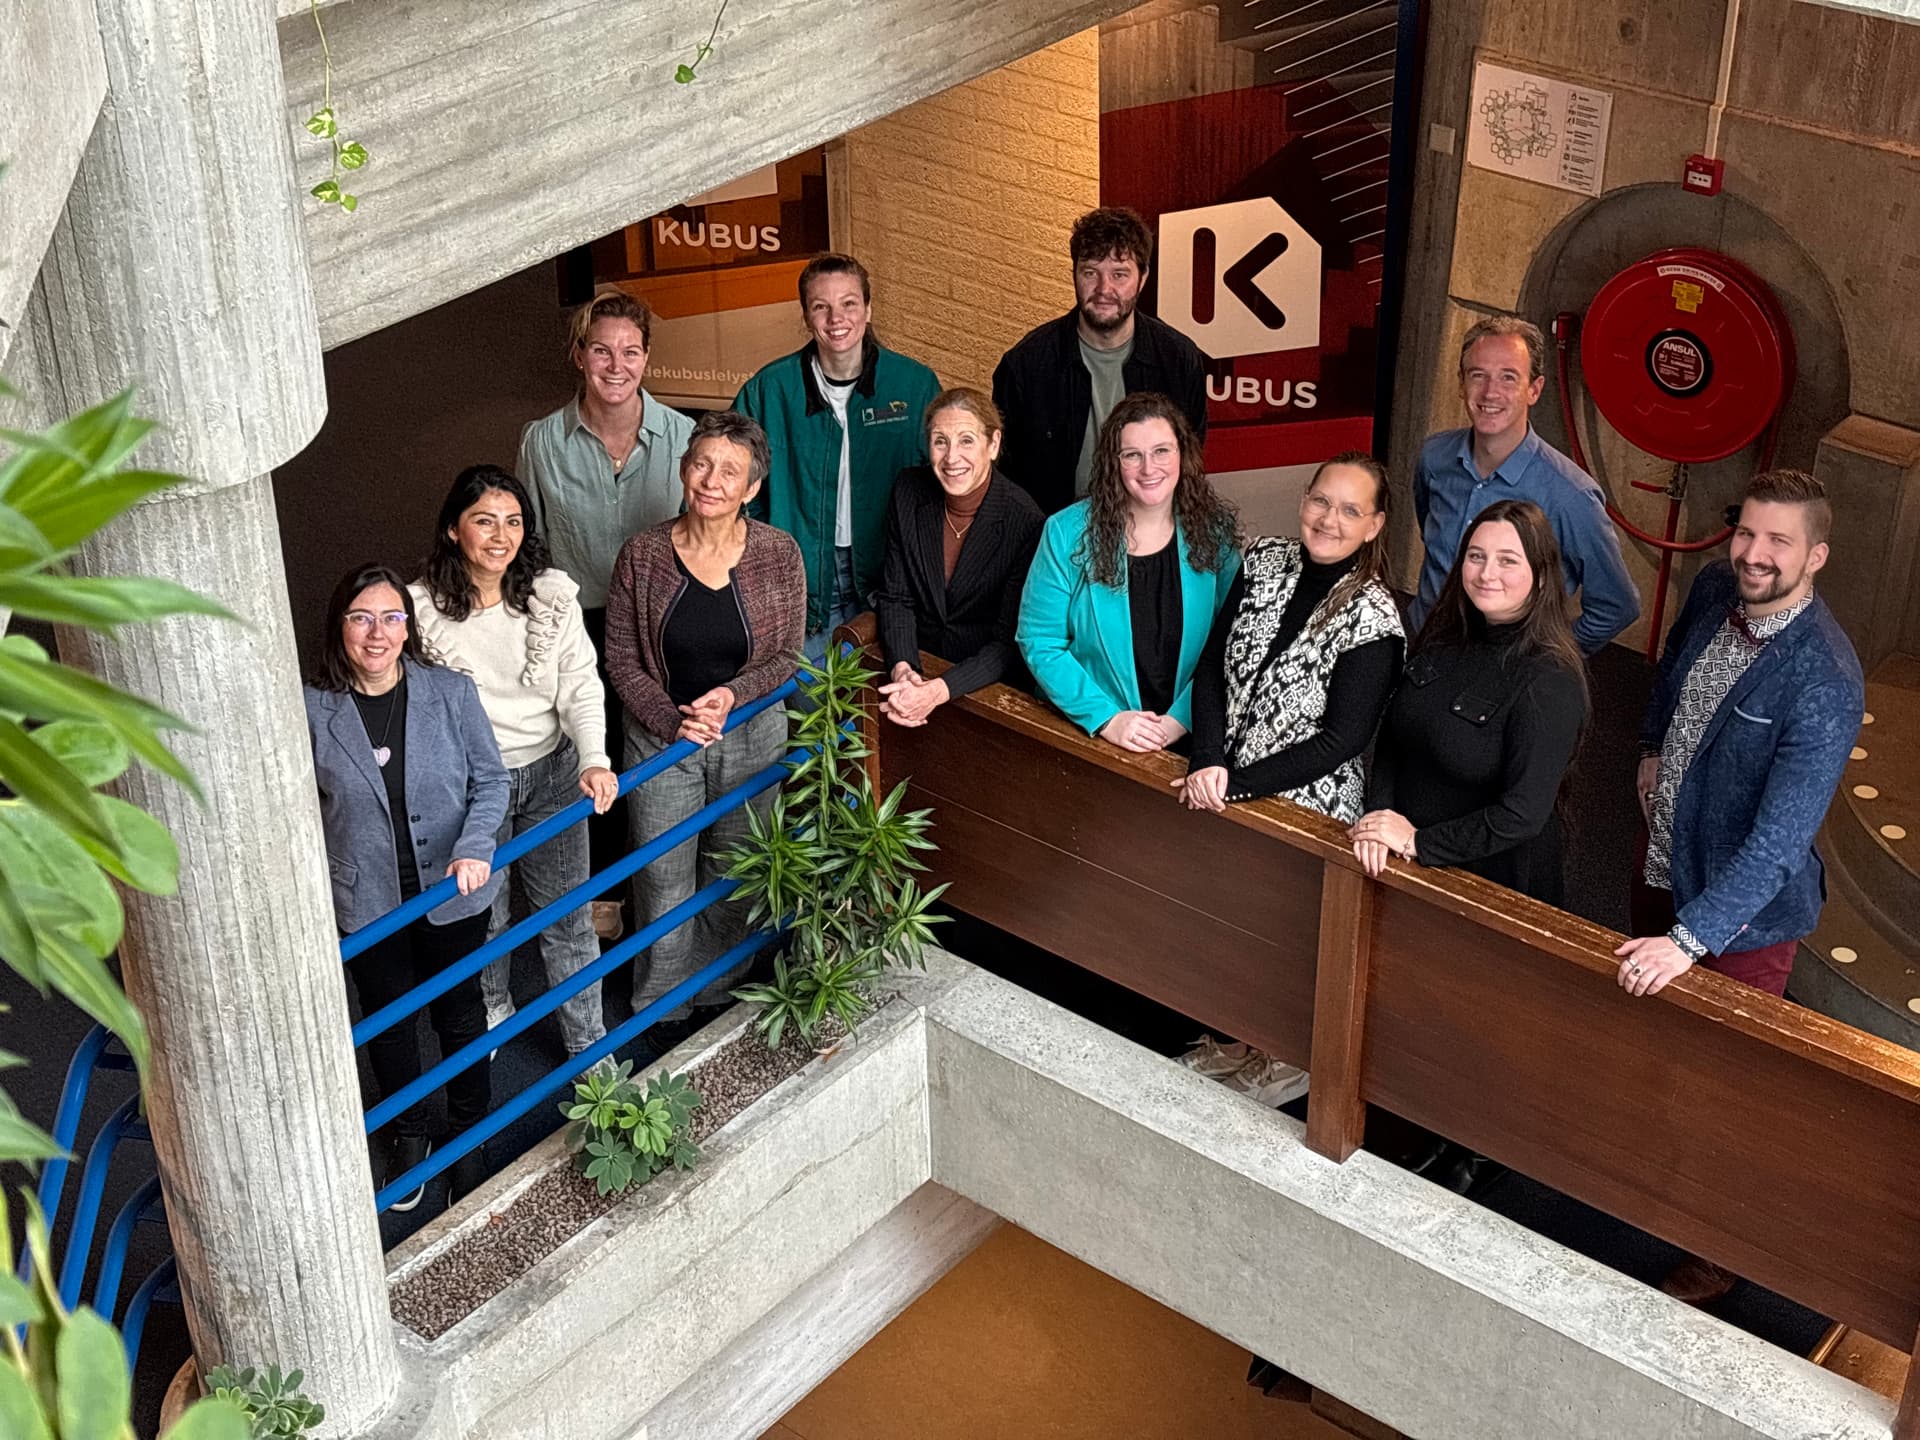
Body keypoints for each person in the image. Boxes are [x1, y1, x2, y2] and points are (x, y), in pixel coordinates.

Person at [1617, 471, 1861, 1305]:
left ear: (1816, 556)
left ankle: (1720, 1253)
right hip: (1664, 859)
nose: (1756, 554)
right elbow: (1670, 675)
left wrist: (1690, 941)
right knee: (1656, 1049)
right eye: (1749, 533)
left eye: (1780, 542)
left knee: (1724, 1086)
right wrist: (1651, 748)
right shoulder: (1719, 585)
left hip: (1746, 920)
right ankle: (1651, 1175)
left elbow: (1780, 842)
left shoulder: (1825, 679)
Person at [1350, 500, 1589, 1197]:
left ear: (1541, 576)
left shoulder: (1549, 679)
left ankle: (1484, 1145)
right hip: (1414, 856)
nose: (1487, 573)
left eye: (1508, 560)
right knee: (1424, 1003)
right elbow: (1393, 737)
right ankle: (1433, 1118)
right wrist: (1379, 816)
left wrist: (1418, 841)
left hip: (1494, 874)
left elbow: (1521, 814)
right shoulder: (1444, 637)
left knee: (1489, 1022)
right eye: (1477, 556)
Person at [305, 563, 508, 1212]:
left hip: (453, 888)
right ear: (340, 627)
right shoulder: (312, 710)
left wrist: (475, 847)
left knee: (459, 1014)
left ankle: (469, 1134)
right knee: (390, 1026)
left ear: (408, 628)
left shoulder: (450, 692)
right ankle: (411, 1136)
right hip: (367, 901)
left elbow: (492, 783)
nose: (377, 633)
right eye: (361, 618)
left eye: (392, 618)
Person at [604, 412, 806, 1043]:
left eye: (729, 472)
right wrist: (673, 720)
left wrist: (731, 695)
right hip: (662, 740)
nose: (711, 481)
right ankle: (662, 1008)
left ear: (751, 488)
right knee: (663, 877)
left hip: (750, 732)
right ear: (683, 469)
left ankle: (720, 991)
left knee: (732, 870)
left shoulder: (779, 553)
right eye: (701, 464)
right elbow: (621, 660)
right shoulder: (643, 553)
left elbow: (788, 654)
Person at [409, 465, 618, 1069]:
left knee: (568, 918)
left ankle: (589, 1048)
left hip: (554, 772)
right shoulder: (419, 611)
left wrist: (595, 759)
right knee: (486, 916)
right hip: (475, 785)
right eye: (483, 521)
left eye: (513, 522)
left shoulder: (552, 596)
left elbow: (581, 685)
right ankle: (492, 1012)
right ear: (453, 530)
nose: (500, 537)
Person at [518, 287, 695, 870]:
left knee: (658, 756)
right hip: (580, 626)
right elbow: (530, 547)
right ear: (579, 356)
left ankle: (657, 885)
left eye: (630, 352)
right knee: (591, 760)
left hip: (665, 626)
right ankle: (604, 896)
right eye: (601, 351)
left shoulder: (684, 437)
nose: (616, 366)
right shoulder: (541, 441)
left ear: (647, 357)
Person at [733, 253, 942, 658]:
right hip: (804, 579)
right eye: (820, 307)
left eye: (849, 303)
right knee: (809, 703)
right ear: (806, 316)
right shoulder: (770, 389)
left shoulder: (913, 385)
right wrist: (767, 549)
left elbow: (939, 481)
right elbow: (735, 482)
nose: (836, 318)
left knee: (876, 706)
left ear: (868, 308)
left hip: (891, 576)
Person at [1181, 451, 1405, 820]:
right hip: (1213, 779)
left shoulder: (1375, 618)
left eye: (1351, 511)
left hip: (1305, 809)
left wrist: (1232, 786)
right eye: (1321, 501)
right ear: (1304, 500)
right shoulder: (1262, 558)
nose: (1329, 520)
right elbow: (1210, 665)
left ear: (1374, 526)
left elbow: (1340, 741)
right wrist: (1206, 759)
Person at [1017, 392, 1240, 753]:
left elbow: (1234, 637)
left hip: (1191, 738)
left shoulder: (1214, 531)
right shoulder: (1066, 533)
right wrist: (1107, 717)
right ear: (1113, 462)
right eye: (1132, 455)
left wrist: (1182, 718)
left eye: (1161, 451)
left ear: (1183, 453)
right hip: (1092, 734)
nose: (1149, 469)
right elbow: (1039, 640)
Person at [1410, 314, 1638, 653]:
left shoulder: (1571, 496)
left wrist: (1541, 662)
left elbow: (1617, 605)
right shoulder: (1434, 457)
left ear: (1534, 389)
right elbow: (1428, 527)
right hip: (1420, 647)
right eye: (1478, 375)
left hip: (1496, 674)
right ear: (1461, 383)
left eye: (1508, 378)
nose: (1490, 392)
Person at [993, 206, 1210, 516]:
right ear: (1074, 274)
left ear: (1143, 277)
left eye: (1119, 274)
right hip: (1052, 542)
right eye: (1090, 272)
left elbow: (1189, 463)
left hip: (1151, 533)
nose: (1103, 289)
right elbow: (1005, 479)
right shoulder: (1025, 365)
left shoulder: (1178, 360)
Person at [874, 387, 1045, 727]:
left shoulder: (1024, 520)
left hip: (986, 691)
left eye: (967, 440)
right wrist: (904, 668)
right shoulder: (908, 491)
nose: (952, 457)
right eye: (940, 441)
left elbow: (1008, 642)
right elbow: (895, 596)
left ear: (993, 445)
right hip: (915, 675)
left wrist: (937, 691)